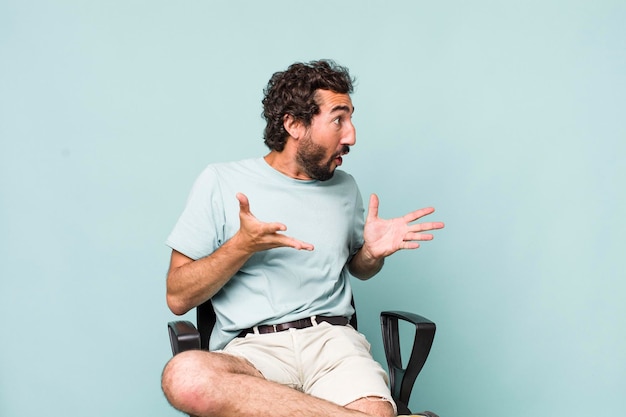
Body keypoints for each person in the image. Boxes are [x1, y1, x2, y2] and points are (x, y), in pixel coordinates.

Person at [161, 60, 444, 417]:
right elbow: (177, 297)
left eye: (351, 118)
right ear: (294, 124)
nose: (351, 135)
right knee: (185, 375)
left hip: (334, 345)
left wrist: (371, 253)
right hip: (253, 352)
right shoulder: (220, 181)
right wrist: (241, 246)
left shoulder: (346, 188)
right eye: (338, 119)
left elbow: (358, 268)